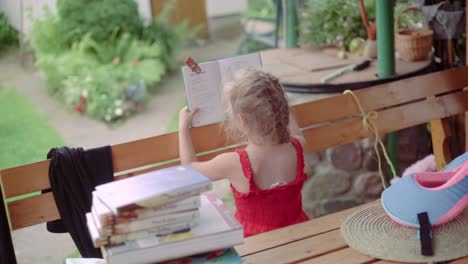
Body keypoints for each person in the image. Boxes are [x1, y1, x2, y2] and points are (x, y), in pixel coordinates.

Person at [178, 69, 309, 237]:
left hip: (253, 243)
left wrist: (183, 128)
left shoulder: (235, 163)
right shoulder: (296, 147)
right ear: (282, 110)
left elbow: (189, 170)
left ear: (241, 121)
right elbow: (295, 131)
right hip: (299, 234)